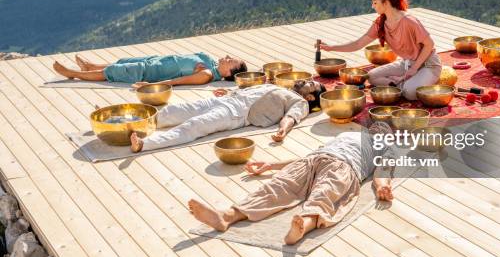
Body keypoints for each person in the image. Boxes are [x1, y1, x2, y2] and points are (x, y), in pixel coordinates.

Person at [187, 123, 396, 245]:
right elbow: (307, 155)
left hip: (344, 167)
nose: (379, 129)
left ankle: (301, 227)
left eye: (384, 130)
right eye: (377, 126)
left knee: (324, 196)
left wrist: (382, 187)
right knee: (277, 187)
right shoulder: (348, 134)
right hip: (313, 160)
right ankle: (226, 216)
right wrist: (271, 165)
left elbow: (382, 170)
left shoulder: (386, 147)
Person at [319, 0, 441, 100]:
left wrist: (414, 69)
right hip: (407, 64)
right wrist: (331, 47)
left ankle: (405, 85)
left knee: (410, 93)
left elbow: (429, 44)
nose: (373, 6)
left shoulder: (409, 21)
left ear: (386, 2)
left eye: (375, 2)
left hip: (428, 64)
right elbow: (357, 44)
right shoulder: (380, 23)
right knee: (371, 76)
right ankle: (400, 85)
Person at [130, 80, 327, 153]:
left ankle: (145, 143)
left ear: (310, 96)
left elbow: (292, 117)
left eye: (311, 85)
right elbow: (250, 90)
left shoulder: (300, 102)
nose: (306, 80)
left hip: (237, 113)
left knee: (194, 126)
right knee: (174, 111)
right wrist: (229, 91)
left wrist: (283, 130)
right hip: (226, 100)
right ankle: (130, 125)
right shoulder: (277, 86)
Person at [52, 53, 247, 86]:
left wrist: (149, 86)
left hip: (149, 73)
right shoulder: (209, 64)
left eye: (231, 61)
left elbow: (175, 82)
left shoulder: (205, 75)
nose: (227, 58)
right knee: (122, 62)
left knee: (114, 72)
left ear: (229, 73)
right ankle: (90, 67)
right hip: (155, 61)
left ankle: (75, 74)